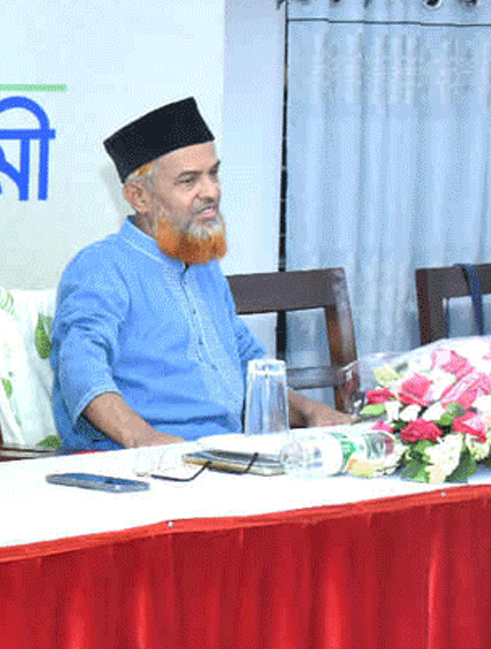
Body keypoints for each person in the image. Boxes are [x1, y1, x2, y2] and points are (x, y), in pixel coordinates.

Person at [51, 97, 350, 450]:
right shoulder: (102, 266)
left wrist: (314, 412)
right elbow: (81, 368)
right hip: (138, 463)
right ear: (139, 197)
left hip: (225, 454)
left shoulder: (203, 265)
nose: (211, 192)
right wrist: (144, 439)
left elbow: (247, 364)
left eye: (213, 174)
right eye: (188, 180)